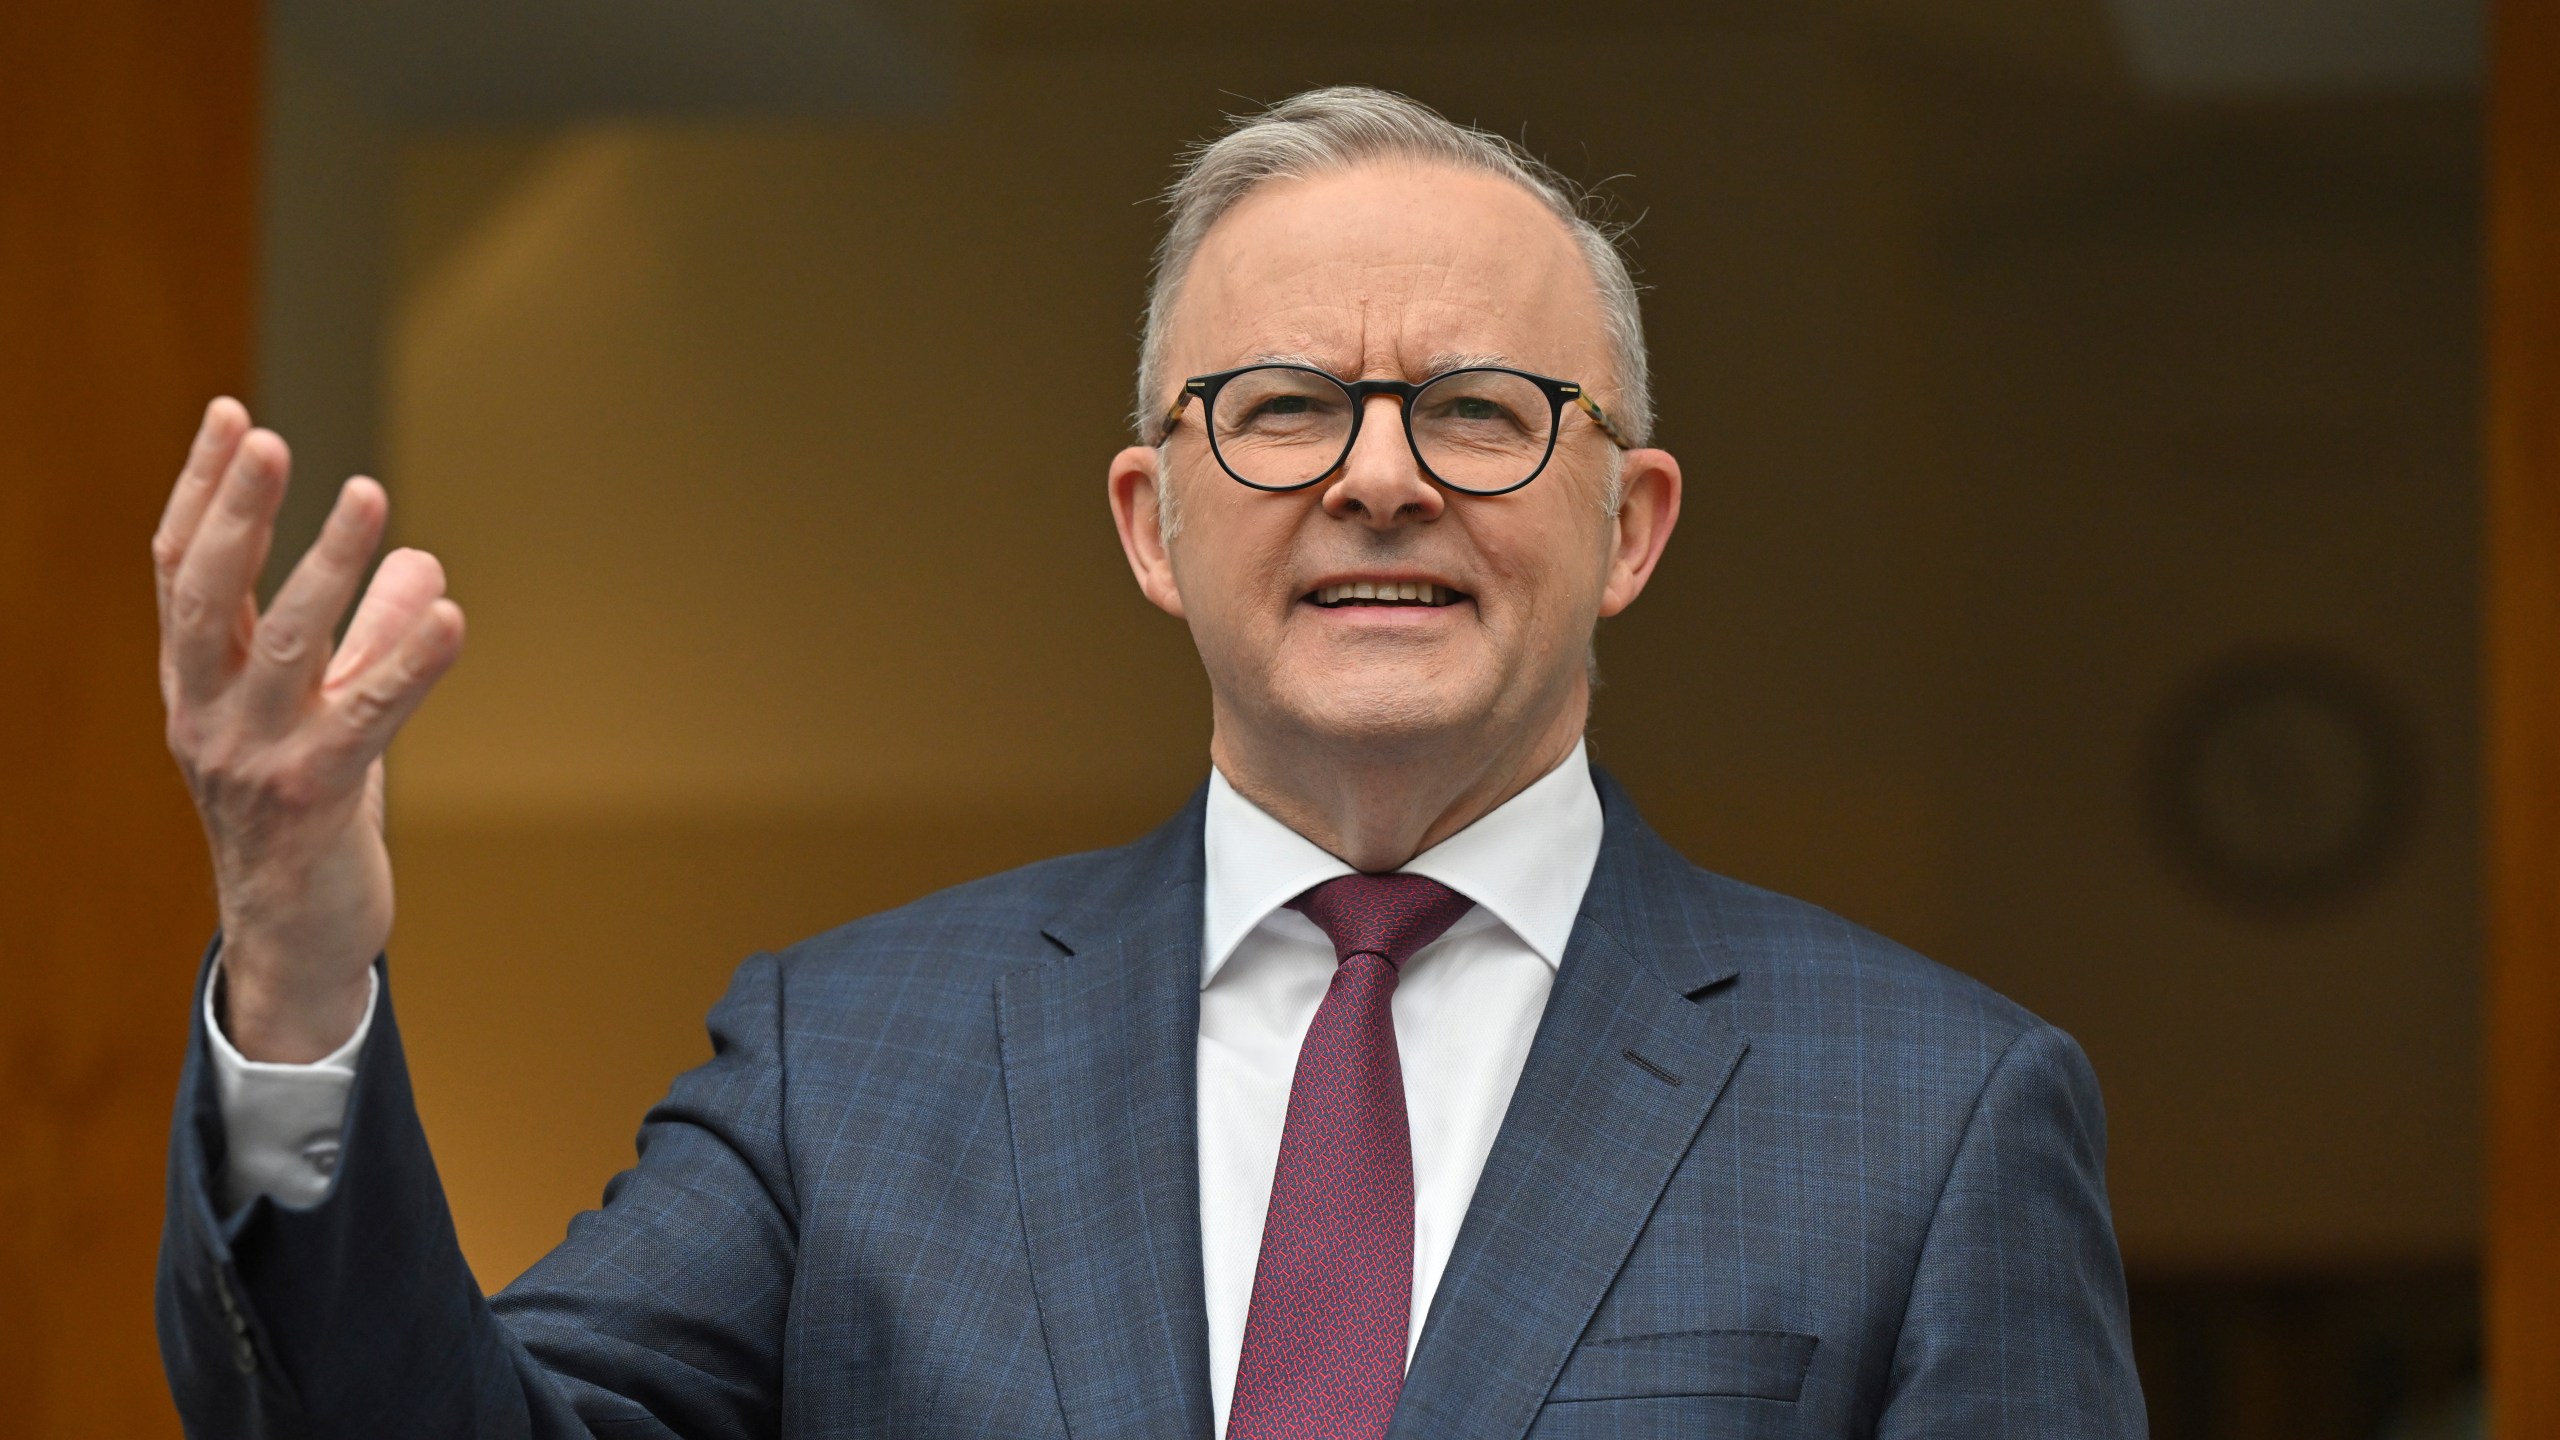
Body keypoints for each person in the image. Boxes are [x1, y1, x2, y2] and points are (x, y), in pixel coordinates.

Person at [152, 87, 2145, 1438]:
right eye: (1280, 409)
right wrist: (298, 973)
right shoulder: (848, 1063)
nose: (1378, 477)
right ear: (1146, 518)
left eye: (1478, 409)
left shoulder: (1933, 1113)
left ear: (1627, 523)